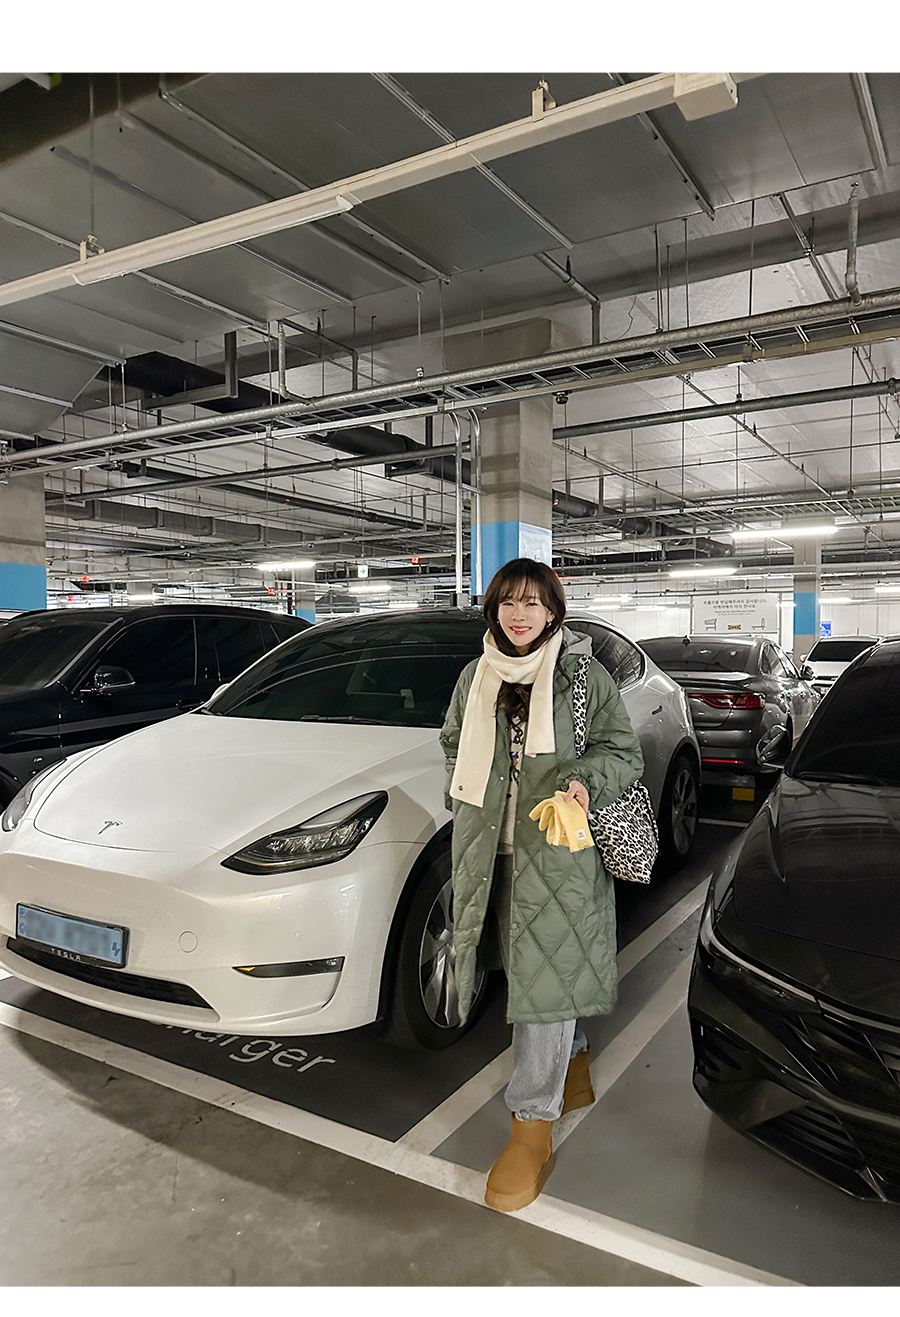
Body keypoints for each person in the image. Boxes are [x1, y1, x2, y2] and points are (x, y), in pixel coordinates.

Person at [440, 557, 644, 1212]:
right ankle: (572, 1067)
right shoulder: (476, 675)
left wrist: (584, 780)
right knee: (528, 969)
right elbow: (452, 741)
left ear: (553, 610)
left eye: (533, 602)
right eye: (508, 602)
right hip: (491, 852)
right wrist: (469, 788)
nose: (519, 614)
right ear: (493, 610)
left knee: (542, 984)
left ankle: (532, 1123)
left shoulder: (583, 674)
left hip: (559, 853)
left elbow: (623, 751)